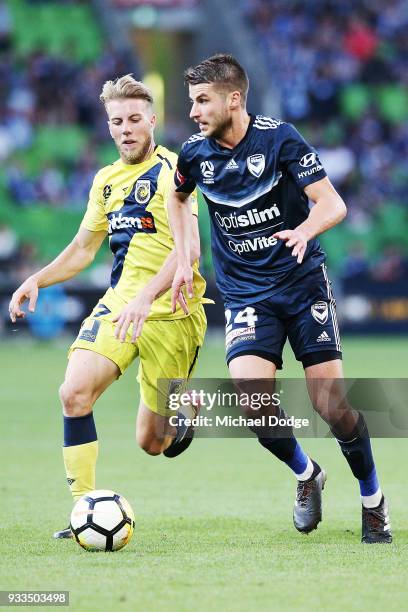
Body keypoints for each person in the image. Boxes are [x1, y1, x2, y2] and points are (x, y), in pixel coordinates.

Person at [168, 54, 391, 544]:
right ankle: (306, 473)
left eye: (202, 100)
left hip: (301, 282)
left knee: (329, 404)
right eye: (191, 102)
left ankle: (373, 500)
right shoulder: (193, 154)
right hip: (246, 293)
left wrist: (304, 230)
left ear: (234, 99)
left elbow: (333, 203)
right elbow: (178, 198)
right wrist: (186, 259)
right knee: (253, 403)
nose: (194, 112)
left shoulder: (279, 138)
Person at [9, 75, 207, 539]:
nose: (125, 129)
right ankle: (84, 509)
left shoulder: (175, 171)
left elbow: (189, 251)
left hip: (172, 313)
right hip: (121, 305)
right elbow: (83, 248)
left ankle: (187, 411)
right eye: (116, 121)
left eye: (135, 119)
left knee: (152, 443)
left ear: (152, 120)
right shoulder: (105, 180)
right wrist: (36, 278)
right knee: (73, 394)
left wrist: (146, 297)